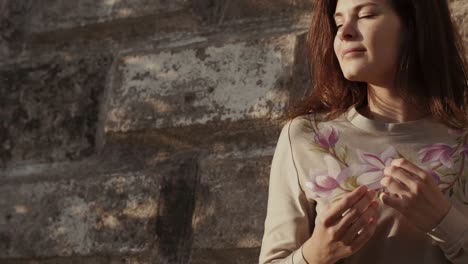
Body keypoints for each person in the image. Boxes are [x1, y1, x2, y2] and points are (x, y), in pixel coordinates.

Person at [258, 0, 468, 263]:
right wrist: (315, 254)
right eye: (338, 23)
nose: (345, 33)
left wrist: (445, 222)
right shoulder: (306, 137)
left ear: (415, 24)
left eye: (366, 15)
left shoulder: (463, 139)